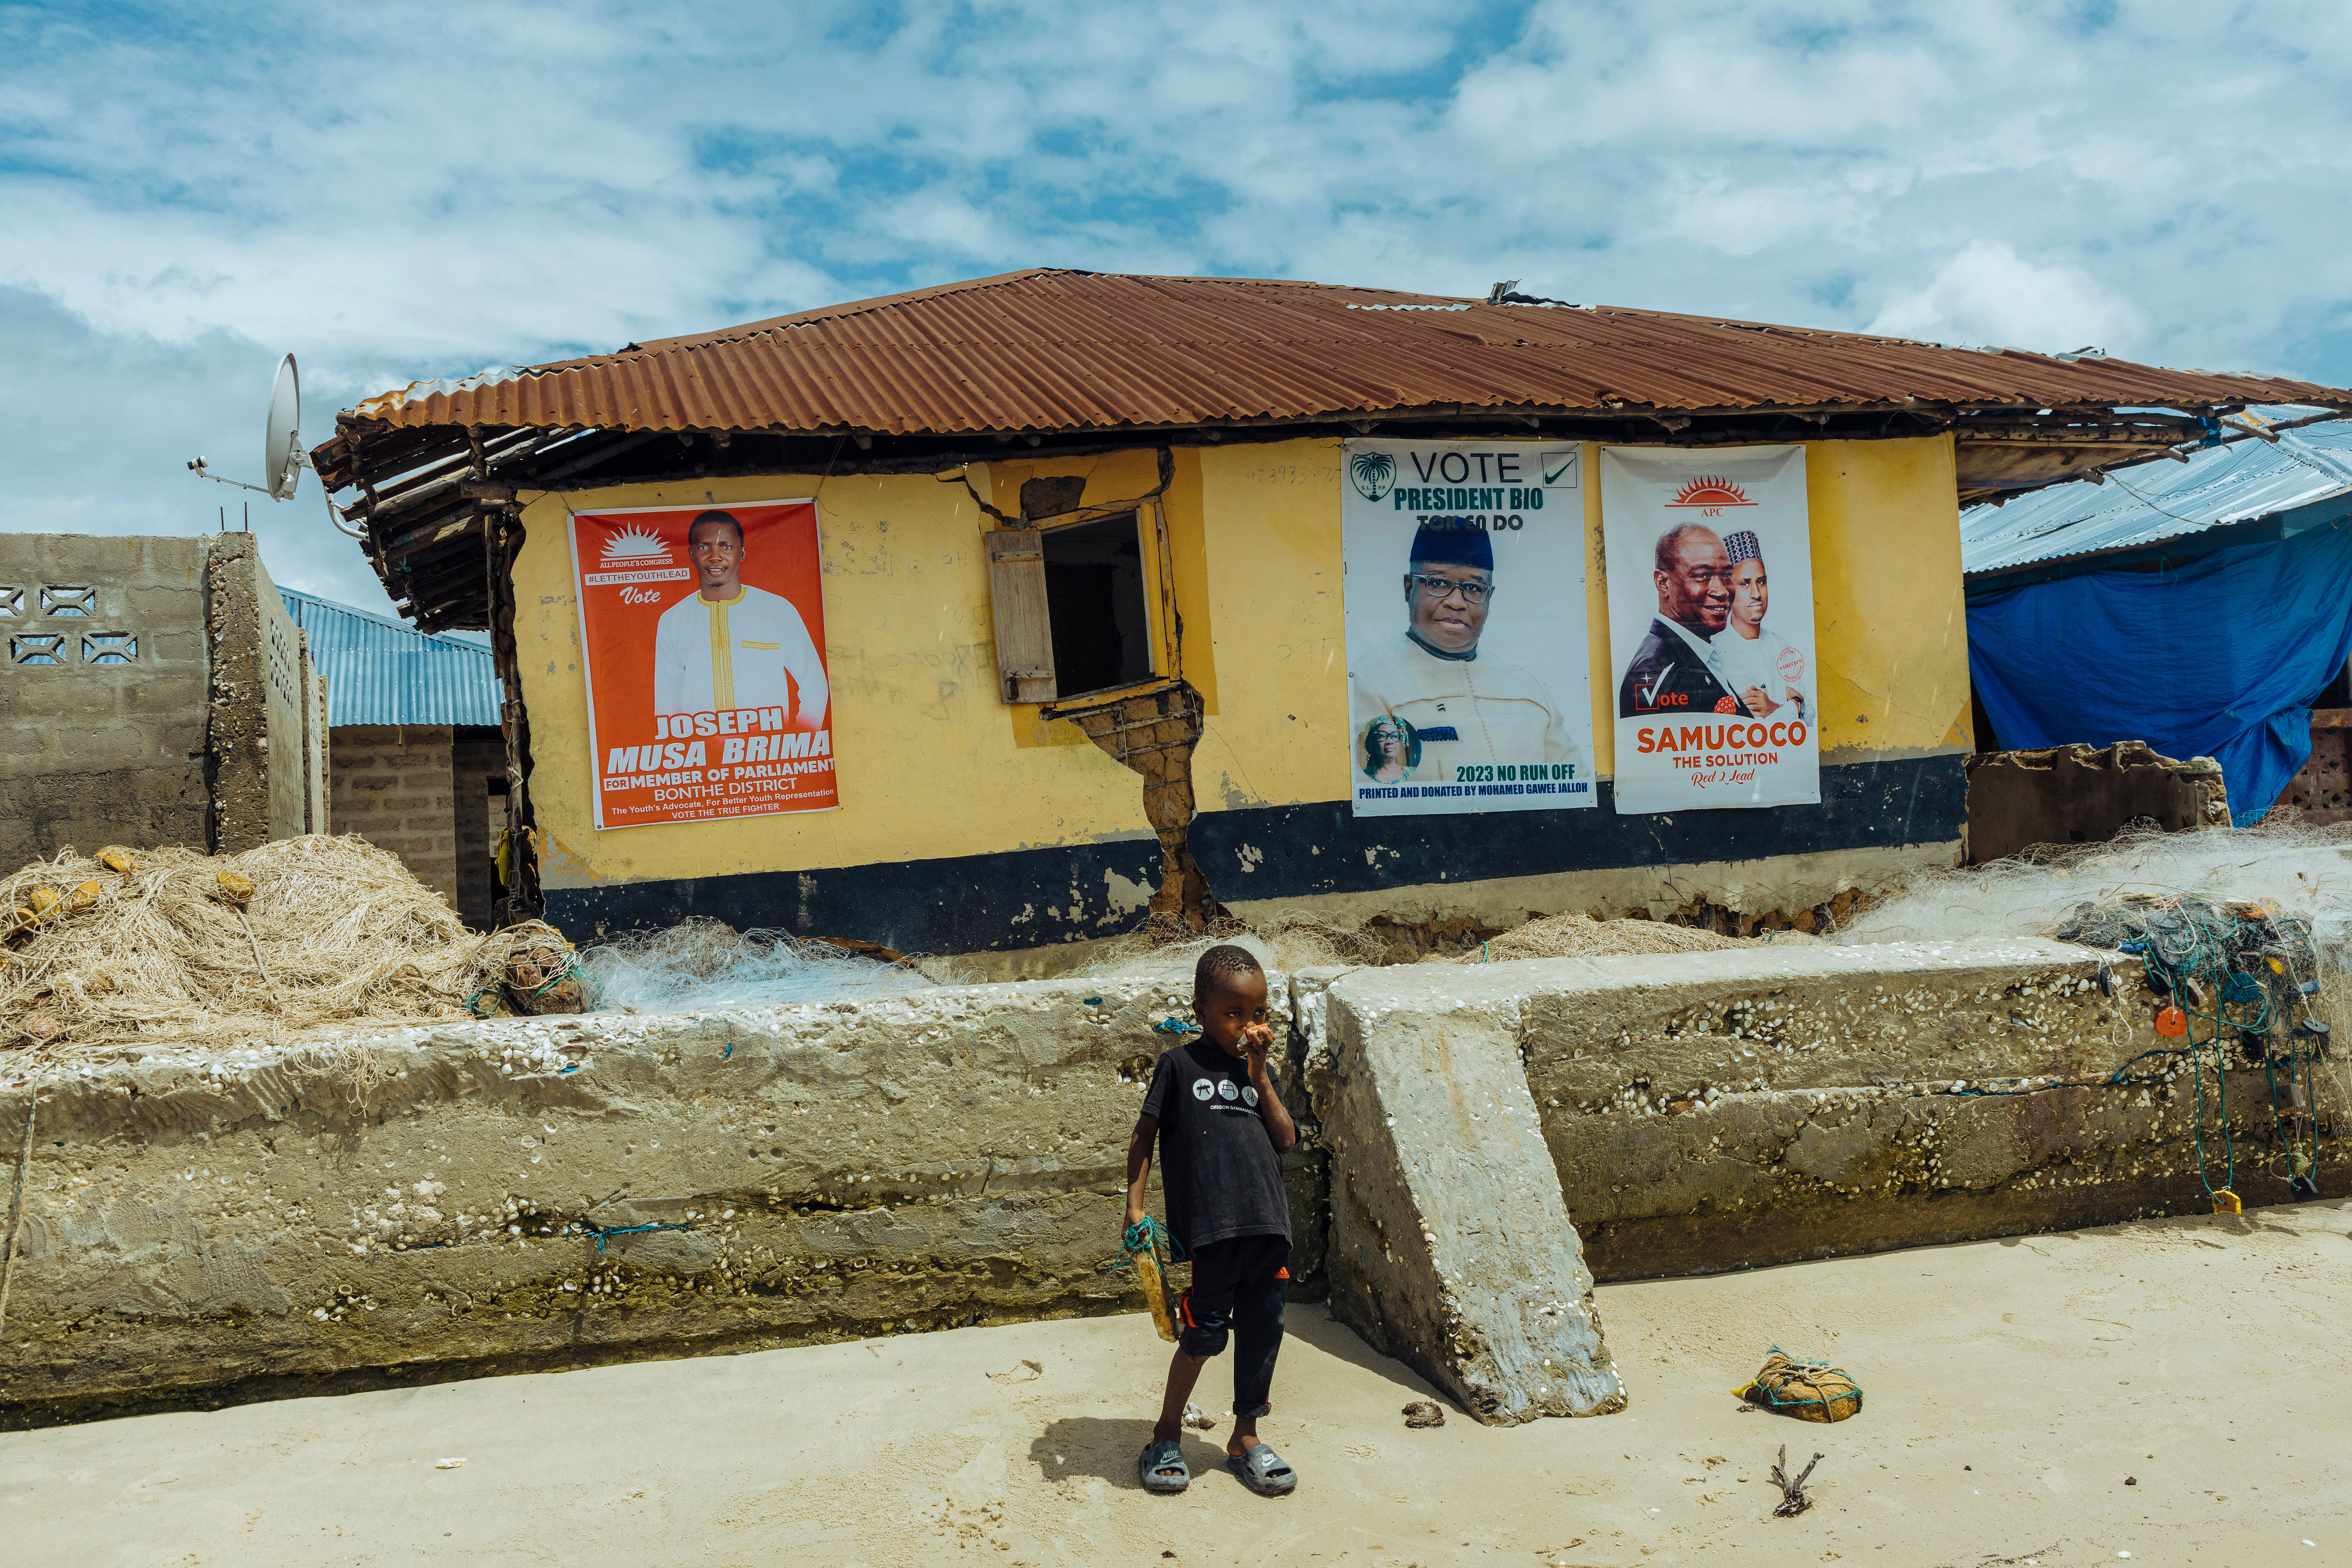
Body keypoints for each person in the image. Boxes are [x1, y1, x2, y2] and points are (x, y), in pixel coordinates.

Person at [1127, 945, 1301, 1498]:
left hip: (1268, 1227)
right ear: (1199, 1009)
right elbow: (1144, 1135)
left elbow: (1286, 1139)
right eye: (1233, 1014)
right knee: (1202, 1336)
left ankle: (1245, 1438)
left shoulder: (1258, 1071)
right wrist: (1135, 1206)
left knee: (1262, 1332)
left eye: (1258, 1013)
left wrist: (1260, 1075)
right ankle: (1165, 1434)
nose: (1248, 1025)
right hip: (1213, 1230)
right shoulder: (1179, 1066)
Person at [1348, 518, 1580, 784]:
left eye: (1473, 588)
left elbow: (1572, 782)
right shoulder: (1368, 685)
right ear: (1409, 589)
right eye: (1438, 583)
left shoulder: (1529, 690)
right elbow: (1372, 795)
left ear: (1489, 598)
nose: (1457, 602)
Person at [652, 510, 830, 726]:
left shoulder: (777, 611)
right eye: (704, 547)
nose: (715, 557)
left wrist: (799, 742)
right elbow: (667, 704)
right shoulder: (674, 620)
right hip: (703, 750)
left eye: (726, 547)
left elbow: (815, 684)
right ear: (691, 555)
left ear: (742, 554)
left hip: (768, 750)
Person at [1617, 522, 1739, 718]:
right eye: (1702, 576)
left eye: (1727, 576)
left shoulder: (1693, 654)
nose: (1722, 591)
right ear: (1663, 583)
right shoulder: (1661, 672)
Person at [1706, 530, 1808, 721]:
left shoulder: (1780, 645)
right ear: (1729, 591)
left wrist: (1774, 708)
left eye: (1761, 582)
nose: (1756, 594)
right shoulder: (1714, 653)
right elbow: (1737, 726)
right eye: (1745, 584)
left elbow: (1809, 717)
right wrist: (1793, 706)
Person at [1361, 716, 1419, 783]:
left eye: (1394, 736)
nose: (1390, 742)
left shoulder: (1413, 773)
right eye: (1382, 736)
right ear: (1373, 743)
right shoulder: (1364, 779)